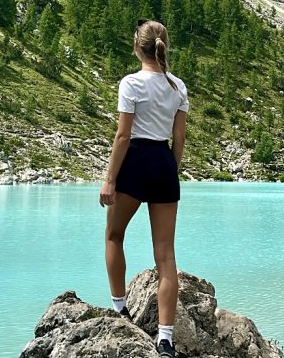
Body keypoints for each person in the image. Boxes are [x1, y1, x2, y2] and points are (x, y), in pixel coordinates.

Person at [99, 19, 189, 358]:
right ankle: (165, 338)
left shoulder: (131, 83)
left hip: (135, 161)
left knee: (113, 235)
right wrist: (171, 169)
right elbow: (178, 138)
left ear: (138, 47)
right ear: (163, 46)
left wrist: (110, 178)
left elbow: (123, 136)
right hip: (163, 162)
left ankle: (120, 309)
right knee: (165, 254)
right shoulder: (178, 86)